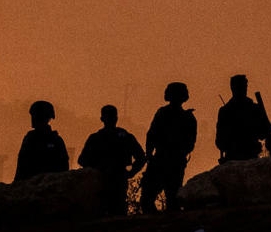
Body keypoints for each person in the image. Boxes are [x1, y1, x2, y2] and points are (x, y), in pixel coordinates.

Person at [78, 105, 146, 217]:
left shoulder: (96, 138)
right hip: (109, 179)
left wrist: (130, 172)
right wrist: (130, 172)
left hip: (109, 179)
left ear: (102, 119)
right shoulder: (123, 137)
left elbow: (82, 160)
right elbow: (141, 158)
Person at [140, 82, 198, 214]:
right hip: (167, 160)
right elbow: (152, 135)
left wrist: (150, 153)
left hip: (167, 160)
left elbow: (151, 135)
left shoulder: (172, 115)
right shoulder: (184, 117)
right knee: (163, 198)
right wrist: (150, 153)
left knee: (166, 198)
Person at [216, 74, 271, 162]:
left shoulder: (226, 111)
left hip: (244, 158)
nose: (244, 89)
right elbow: (220, 141)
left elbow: (269, 135)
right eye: (242, 86)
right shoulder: (253, 109)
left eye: (244, 86)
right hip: (240, 158)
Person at [14, 100, 69, 182]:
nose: (32, 119)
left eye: (34, 116)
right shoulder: (56, 140)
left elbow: (63, 167)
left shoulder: (31, 139)